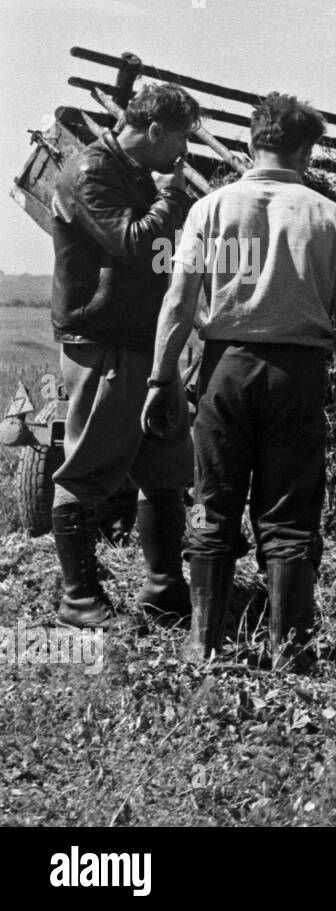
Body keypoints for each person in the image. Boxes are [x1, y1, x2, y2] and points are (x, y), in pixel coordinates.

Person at [143, 92, 336, 666]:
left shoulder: (212, 209)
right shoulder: (328, 214)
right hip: (297, 376)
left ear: (254, 143)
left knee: (213, 501)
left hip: (224, 370)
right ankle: (290, 651)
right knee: (290, 510)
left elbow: (179, 304)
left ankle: (203, 645)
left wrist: (159, 380)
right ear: (307, 149)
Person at [49, 82, 201, 629]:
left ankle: (163, 590)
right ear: (155, 129)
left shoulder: (132, 170)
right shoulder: (92, 171)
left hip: (143, 340)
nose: (182, 154)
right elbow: (134, 244)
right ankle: (79, 600)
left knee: (162, 466)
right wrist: (170, 198)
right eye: (179, 140)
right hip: (105, 338)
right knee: (88, 466)